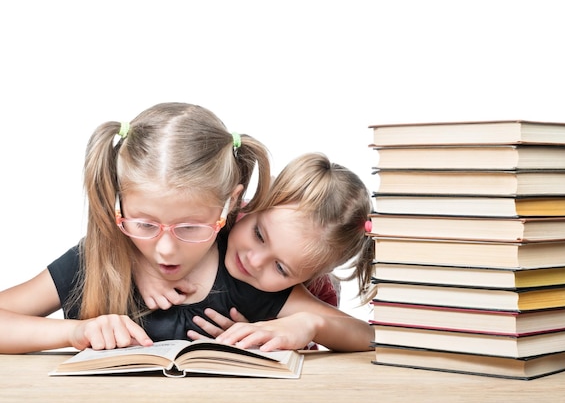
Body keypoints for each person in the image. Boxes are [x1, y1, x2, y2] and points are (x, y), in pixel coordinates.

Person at [0, 102, 273, 354]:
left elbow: (317, 322)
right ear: (118, 202)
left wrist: (300, 326)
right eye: (144, 224)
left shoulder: (245, 264)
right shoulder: (95, 260)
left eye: (190, 227)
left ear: (231, 203)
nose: (166, 250)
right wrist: (74, 332)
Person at [136, 152, 376, 352]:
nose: (254, 261)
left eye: (281, 268)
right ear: (253, 204)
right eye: (259, 234)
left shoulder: (276, 296)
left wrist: (310, 324)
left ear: (307, 279)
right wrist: (139, 262)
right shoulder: (207, 218)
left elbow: (371, 337)